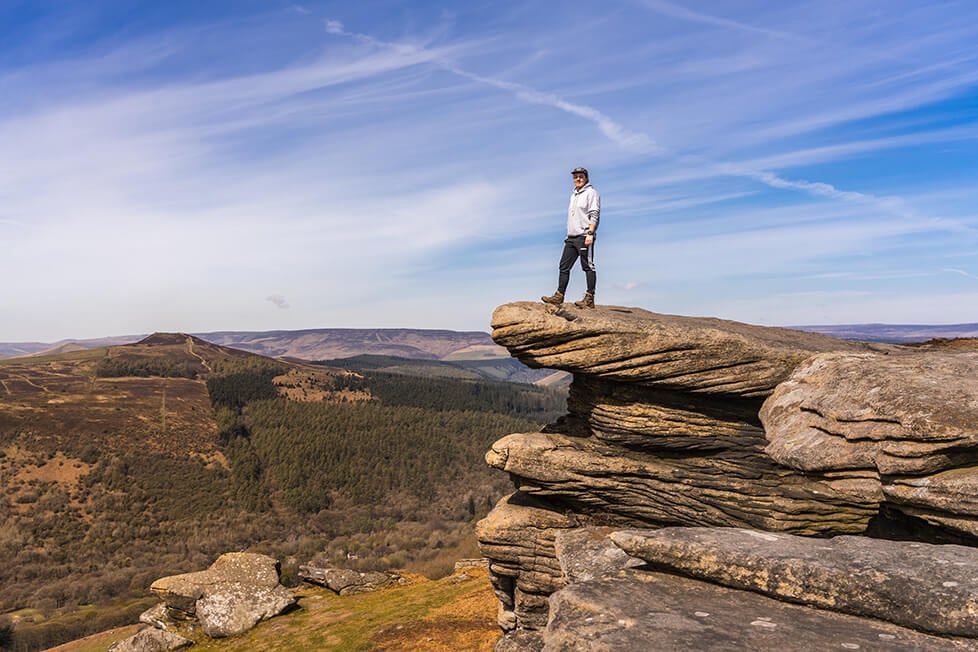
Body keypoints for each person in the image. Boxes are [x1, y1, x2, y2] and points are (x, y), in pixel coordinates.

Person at [542, 167, 600, 308]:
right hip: (571, 237)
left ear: (586, 178)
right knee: (563, 266)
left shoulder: (591, 193)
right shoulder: (574, 194)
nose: (578, 179)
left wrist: (590, 234)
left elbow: (594, 214)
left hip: (584, 235)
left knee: (588, 266)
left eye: (580, 176)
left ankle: (589, 298)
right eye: (575, 177)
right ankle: (559, 295)